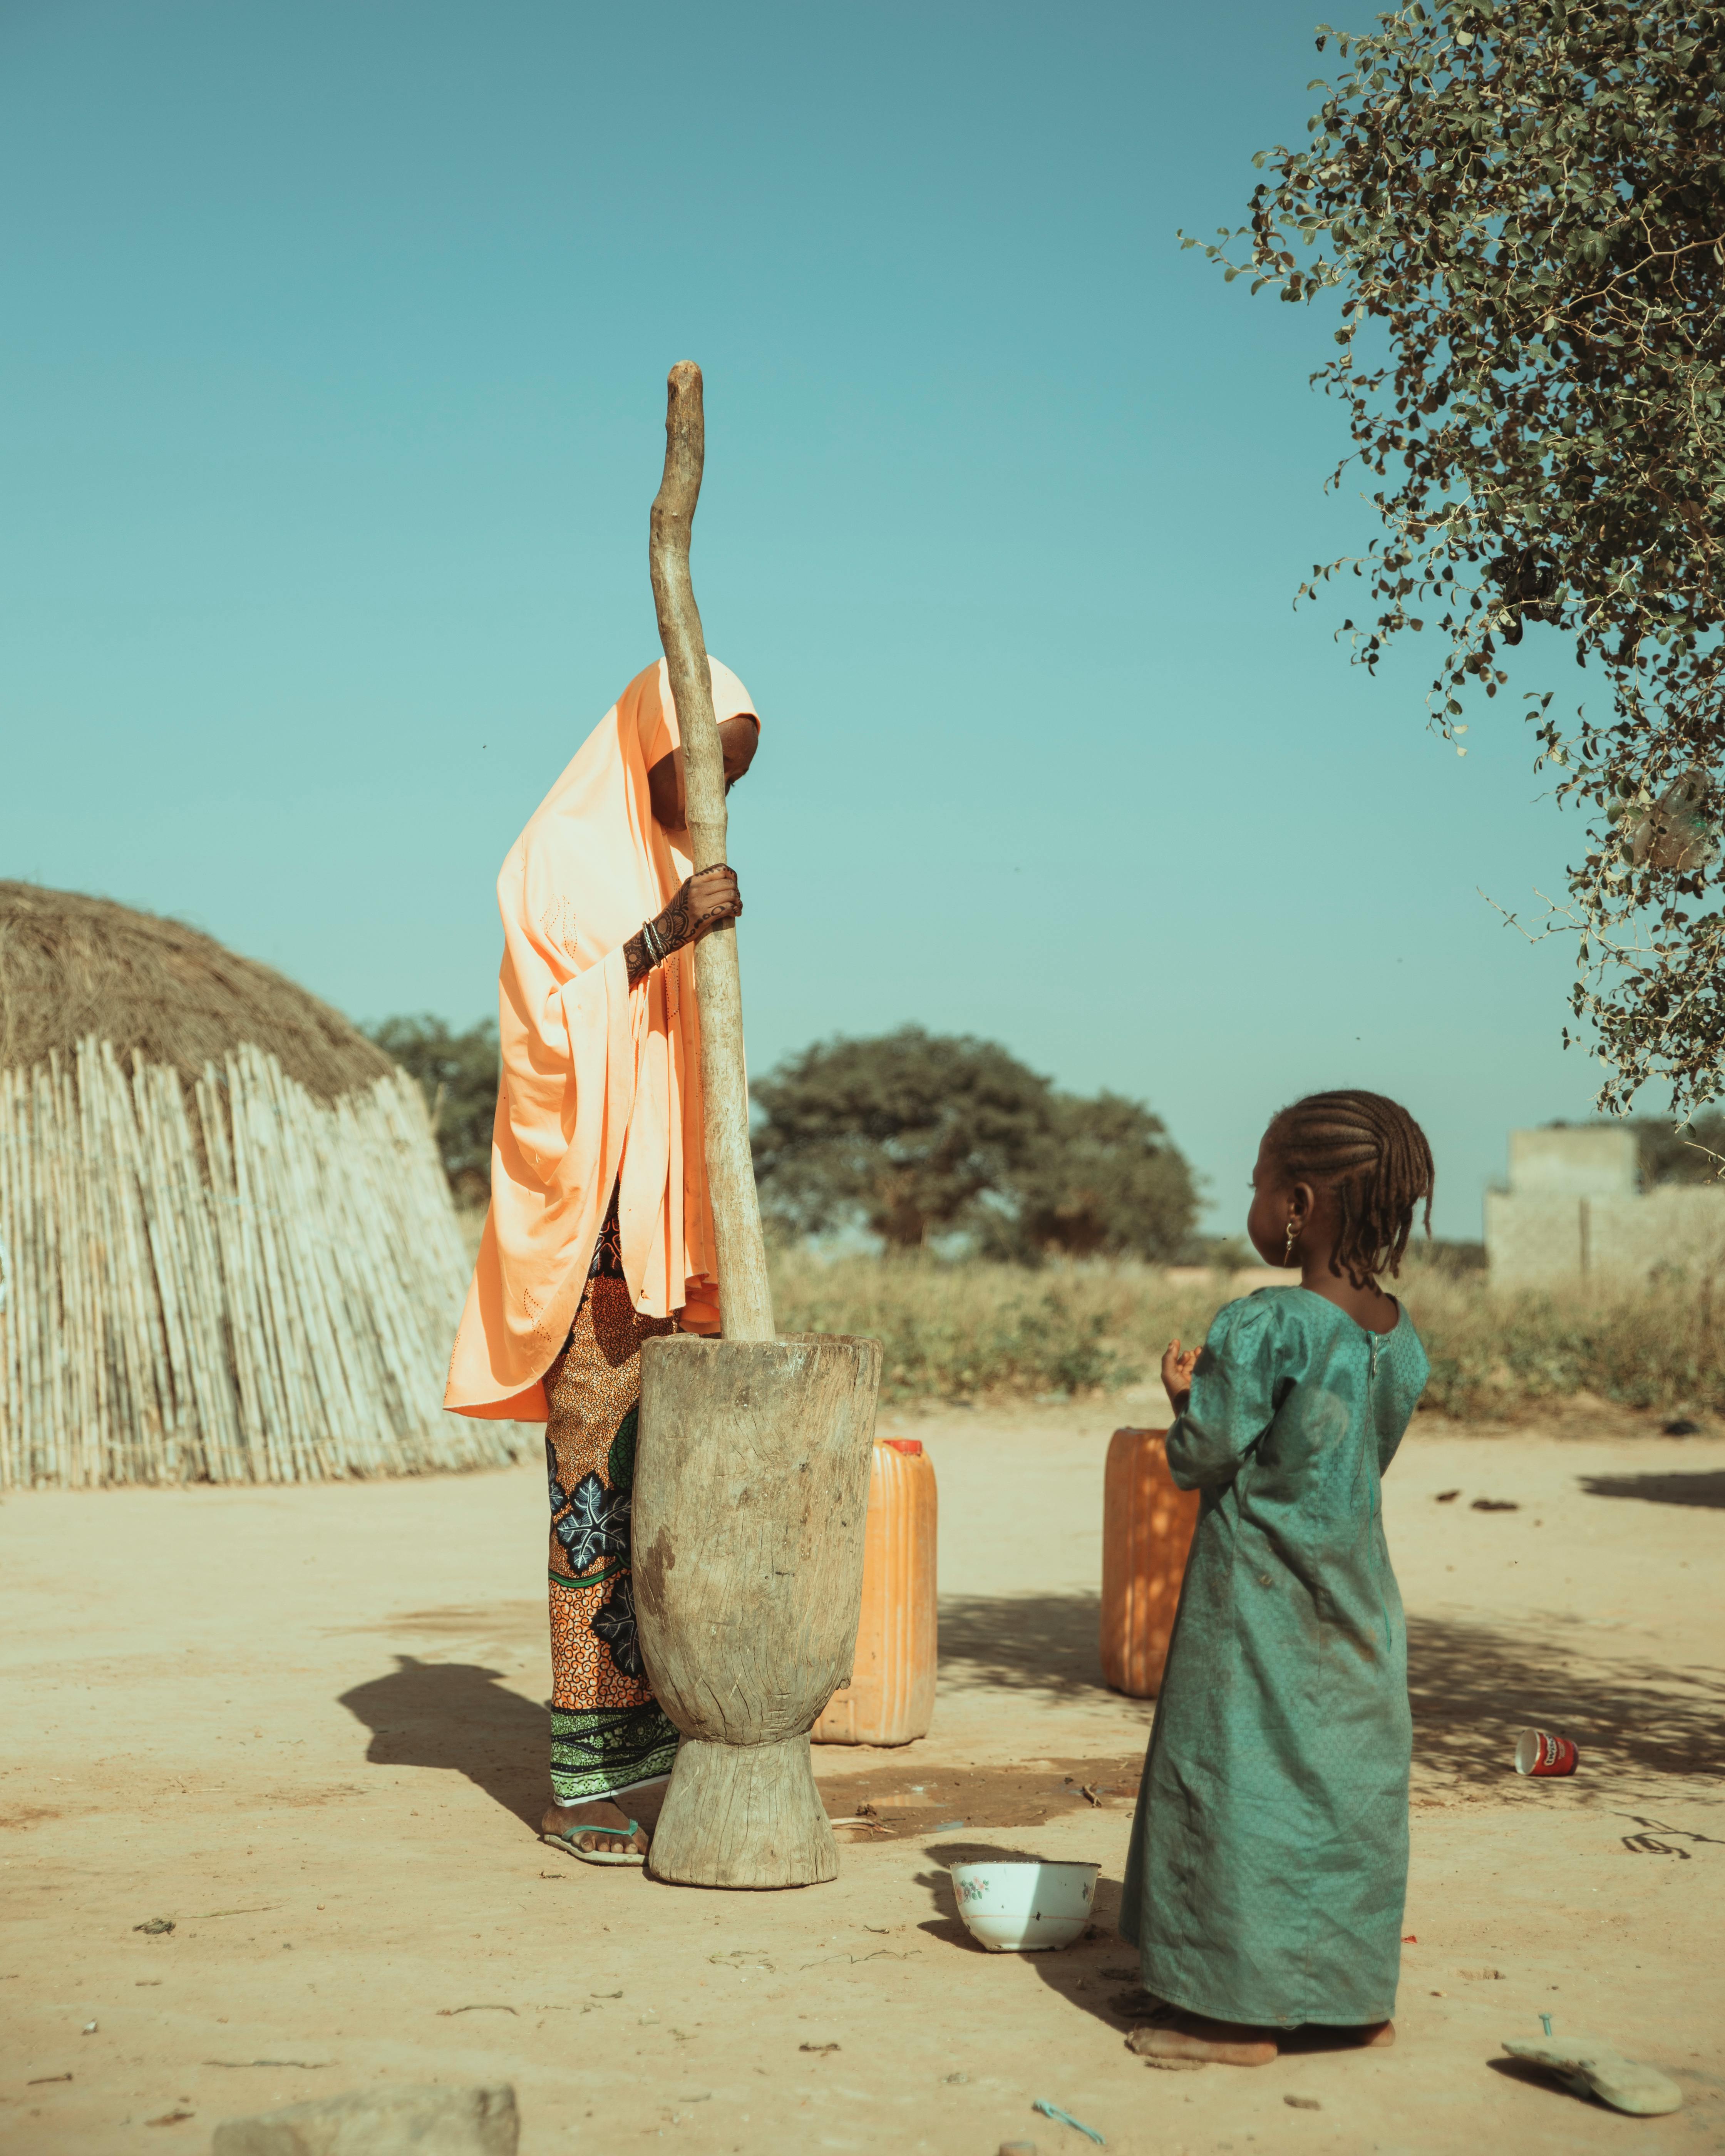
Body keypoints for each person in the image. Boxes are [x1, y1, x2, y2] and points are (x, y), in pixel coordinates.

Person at [445, 655, 761, 1865]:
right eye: (702, 771)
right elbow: (547, 1039)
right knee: (592, 1508)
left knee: (670, 1508)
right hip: (599, 1256)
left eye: (734, 781)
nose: (714, 801)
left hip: (680, 1252)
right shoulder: (555, 861)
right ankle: (581, 1784)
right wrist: (665, 936)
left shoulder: (684, 865)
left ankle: (667, 1749)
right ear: (649, 745)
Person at [1120, 1090, 1434, 2065]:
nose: (1249, 1204)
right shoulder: (1395, 1335)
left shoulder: (1267, 1325)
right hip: (1354, 1604)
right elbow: (1346, 1461)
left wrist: (1185, 1398)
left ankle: (1230, 2017)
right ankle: (1351, 2005)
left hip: (1255, 1601)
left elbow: (1205, 1452)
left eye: (1255, 1185)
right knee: (1341, 1795)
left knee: (1237, 1782)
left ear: (1296, 1203)